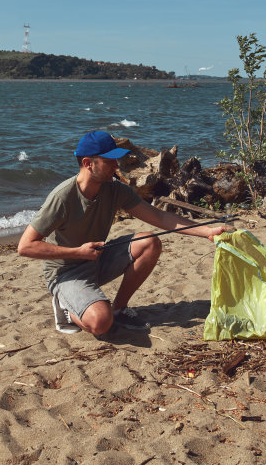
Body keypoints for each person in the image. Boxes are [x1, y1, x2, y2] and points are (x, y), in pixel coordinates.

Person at [18, 130, 230, 339]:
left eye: (116, 160)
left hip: (97, 258)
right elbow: (25, 246)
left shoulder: (114, 189)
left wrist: (208, 232)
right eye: (109, 161)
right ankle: (66, 306)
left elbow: (160, 218)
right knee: (101, 323)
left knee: (149, 242)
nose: (116, 166)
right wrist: (78, 252)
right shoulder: (62, 197)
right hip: (65, 273)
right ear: (87, 164)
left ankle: (119, 309)